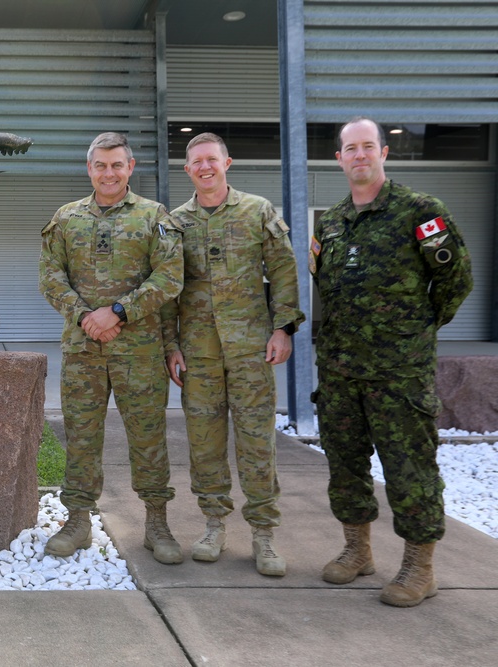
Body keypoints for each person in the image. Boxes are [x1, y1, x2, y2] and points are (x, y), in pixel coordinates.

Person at [312, 117, 473, 606]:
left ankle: (420, 568)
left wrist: (415, 333)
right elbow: (325, 285)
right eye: (350, 149)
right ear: (339, 158)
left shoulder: (420, 211)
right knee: (344, 465)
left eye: (367, 146)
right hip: (340, 370)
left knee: (409, 468)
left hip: (399, 373)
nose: (359, 155)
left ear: (384, 152)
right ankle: (357, 551)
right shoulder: (332, 220)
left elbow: (455, 282)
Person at [162, 132, 304, 577]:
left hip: (251, 351)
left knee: (257, 444)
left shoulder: (256, 210)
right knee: (204, 444)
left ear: (228, 163)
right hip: (199, 355)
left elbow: (283, 270)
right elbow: (167, 290)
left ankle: (263, 534)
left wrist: (283, 328)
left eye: (212, 159)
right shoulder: (174, 222)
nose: (204, 167)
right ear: (187, 170)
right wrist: (170, 345)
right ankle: (213, 525)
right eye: (196, 162)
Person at [38, 132, 185, 563]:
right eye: (100, 165)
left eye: (117, 165)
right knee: (81, 437)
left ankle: (157, 523)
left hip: (139, 351)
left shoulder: (153, 216)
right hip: (84, 350)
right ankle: (78, 521)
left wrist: (118, 312)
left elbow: (169, 277)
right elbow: (50, 278)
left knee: (148, 437)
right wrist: (87, 316)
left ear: (130, 168)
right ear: (89, 169)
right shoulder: (66, 219)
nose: (108, 173)